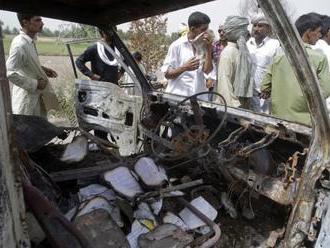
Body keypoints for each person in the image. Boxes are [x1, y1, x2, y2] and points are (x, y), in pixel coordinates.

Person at [260, 13, 330, 126]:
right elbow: (325, 90)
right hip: (305, 121)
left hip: (277, 119)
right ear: (308, 32)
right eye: (318, 31)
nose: (320, 35)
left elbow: (264, 86)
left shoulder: (279, 55)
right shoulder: (319, 58)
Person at [76, 27, 123, 140]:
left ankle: (113, 142)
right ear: (102, 32)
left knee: (115, 117)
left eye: (114, 30)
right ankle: (102, 143)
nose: (112, 33)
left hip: (114, 89)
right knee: (101, 120)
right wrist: (91, 75)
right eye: (109, 31)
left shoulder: (117, 49)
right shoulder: (95, 48)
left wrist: (121, 72)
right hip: (100, 90)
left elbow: (126, 62)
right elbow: (79, 61)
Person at [6, 13, 58, 116]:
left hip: (36, 98)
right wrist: (36, 84)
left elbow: (25, 64)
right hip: (26, 102)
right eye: (37, 20)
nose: (42, 23)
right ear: (25, 22)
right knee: (29, 130)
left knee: (41, 128)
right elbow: (10, 73)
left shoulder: (30, 41)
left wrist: (42, 69)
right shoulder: (20, 45)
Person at [161, 11, 213, 98]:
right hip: (179, 99)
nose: (206, 33)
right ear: (192, 29)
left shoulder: (205, 45)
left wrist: (208, 48)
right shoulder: (176, 46)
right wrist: (184, 68)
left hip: (199, 99)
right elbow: (167, 75)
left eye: (207, 29)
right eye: (203, 30)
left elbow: (207, 70)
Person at [216, 16, 254, 108]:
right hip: (233, 108)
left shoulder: (242, 51)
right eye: (244, 29)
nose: (247, 32)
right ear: (237, 32)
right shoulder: (228, 52)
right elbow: (224, 85)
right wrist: (236, 110)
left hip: (243, 106)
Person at [247, 13, 280, 113]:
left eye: (260, 26)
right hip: (248, 92)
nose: (256, 29)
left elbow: (277, 69)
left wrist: (268, 87)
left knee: (263, 123)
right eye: (254, 25)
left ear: (268, 28)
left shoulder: (275, 45)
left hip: (265, 94)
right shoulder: (248, 44)